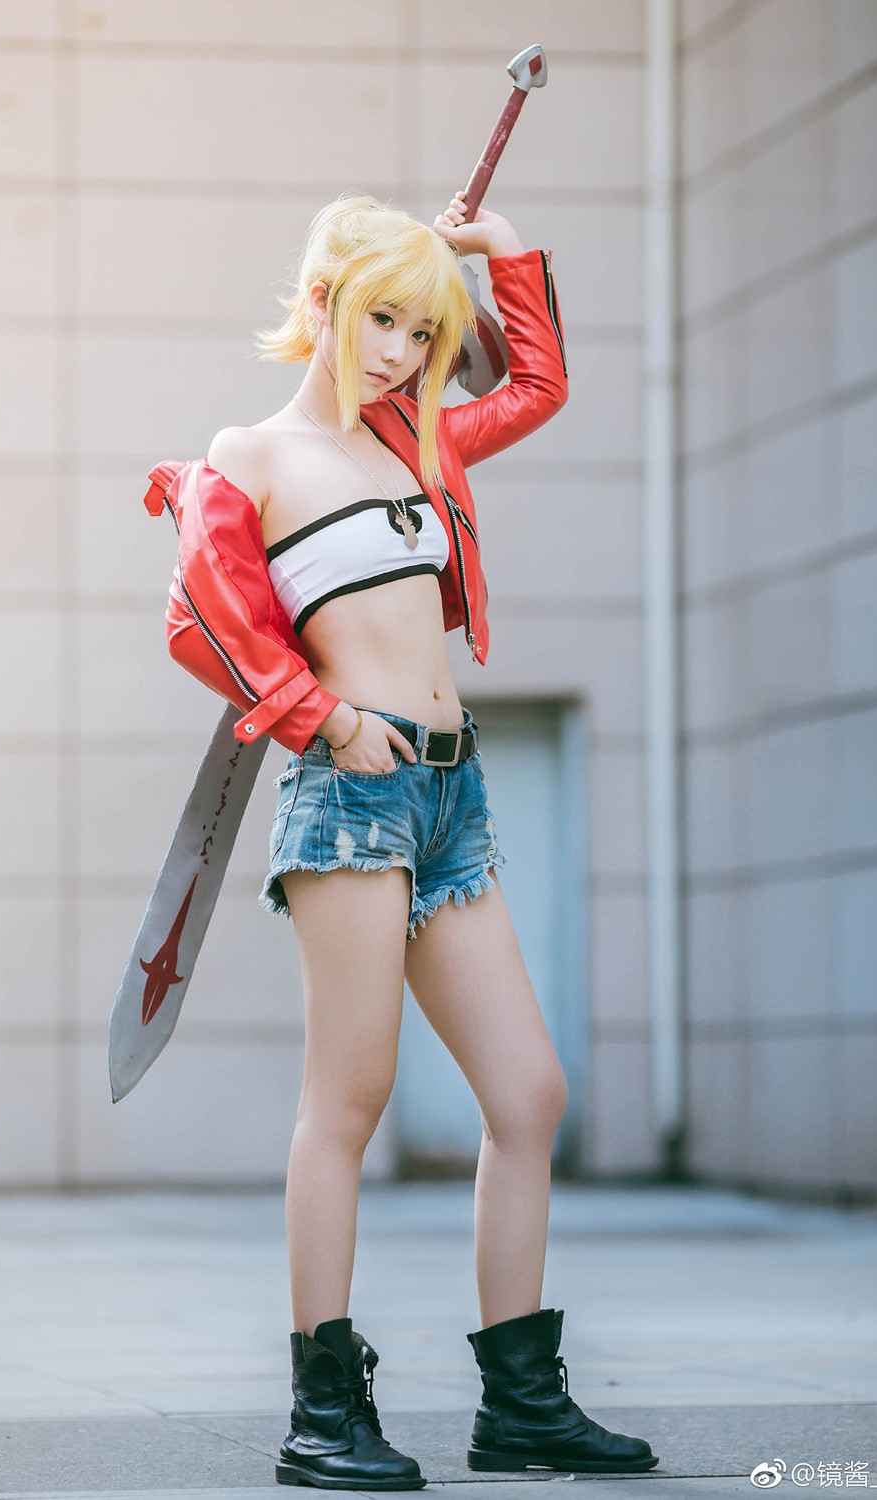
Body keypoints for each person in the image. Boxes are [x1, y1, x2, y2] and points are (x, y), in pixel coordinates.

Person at [194, 192, 658, 1489]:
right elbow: (207, 618)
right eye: (383, 319)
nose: (401, 353)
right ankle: (323, 1414)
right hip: (352, 795)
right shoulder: (252, 455)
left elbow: (540, 385)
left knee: (529, 1093)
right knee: (347, 1102)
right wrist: (328, 720)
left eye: (422, 331)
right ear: (324, 301)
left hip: (454, 795)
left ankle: (521, 1405)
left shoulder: (425, 442)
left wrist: (501, 254)